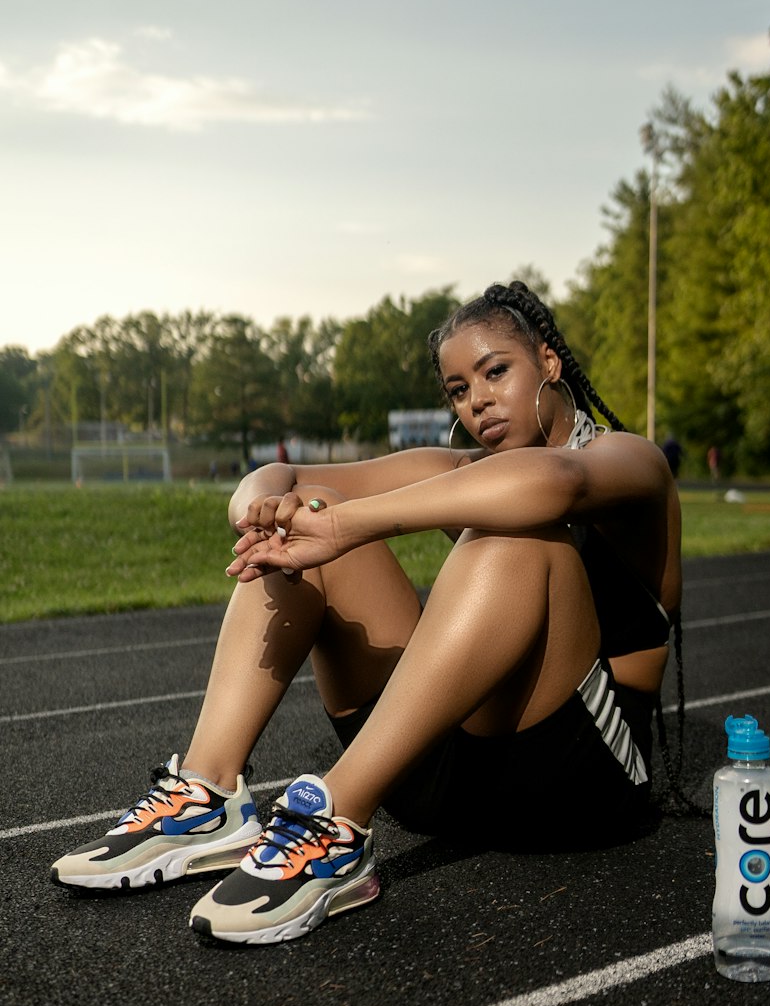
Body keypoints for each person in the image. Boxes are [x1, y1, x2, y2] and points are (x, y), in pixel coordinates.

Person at [51, 281, 683, 946]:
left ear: (549, 363)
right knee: (317, 513)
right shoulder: (463, 464)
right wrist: (263, 514)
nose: (478, 401)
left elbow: (553, 485)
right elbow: (279, 479)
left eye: (497, 371)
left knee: (514, 536)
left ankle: (335, 821)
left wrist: (346, 524)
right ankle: (207, 796)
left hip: (573, 786)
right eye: (459, 390)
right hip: (442, 784)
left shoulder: (629, 461)